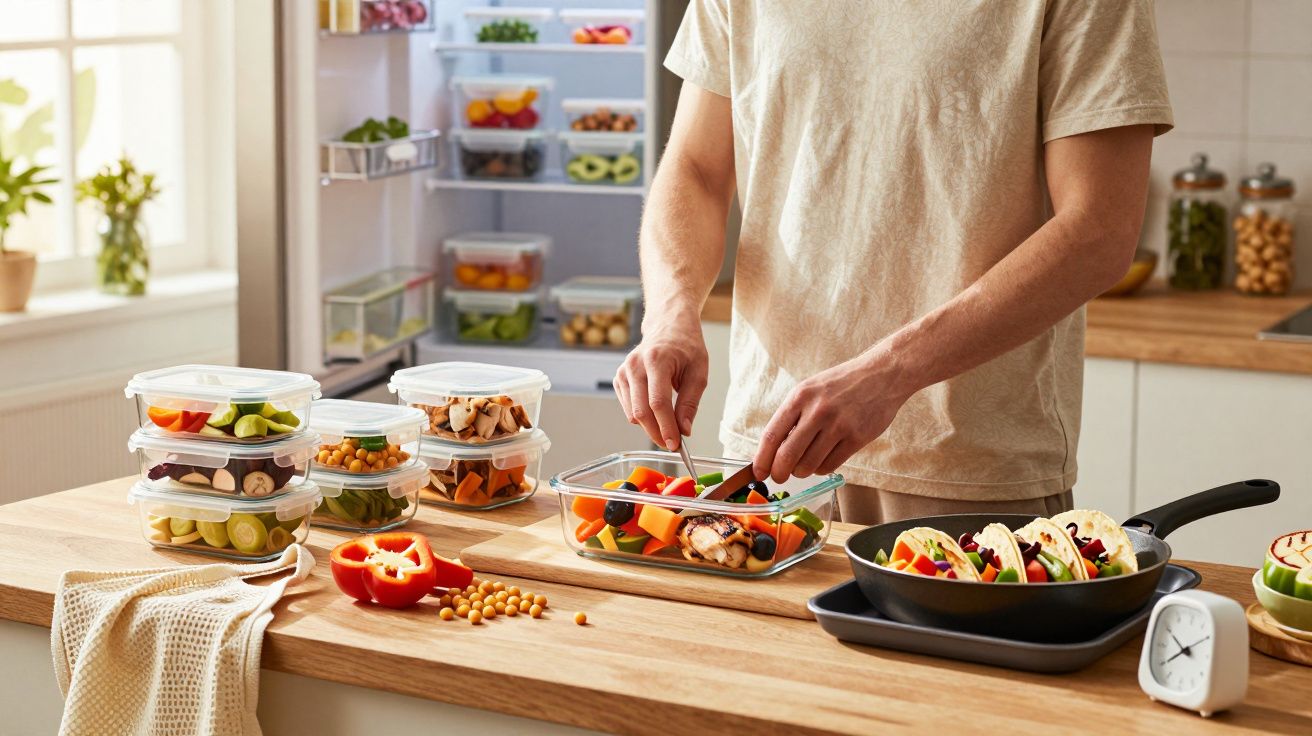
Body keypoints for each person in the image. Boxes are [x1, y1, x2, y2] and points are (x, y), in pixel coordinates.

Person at [613, 0, 1173, 524]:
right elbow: (696, 169)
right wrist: (670, 316)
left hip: (963, 475)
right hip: (767, 463)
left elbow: (1099, 228)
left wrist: (887, 375)